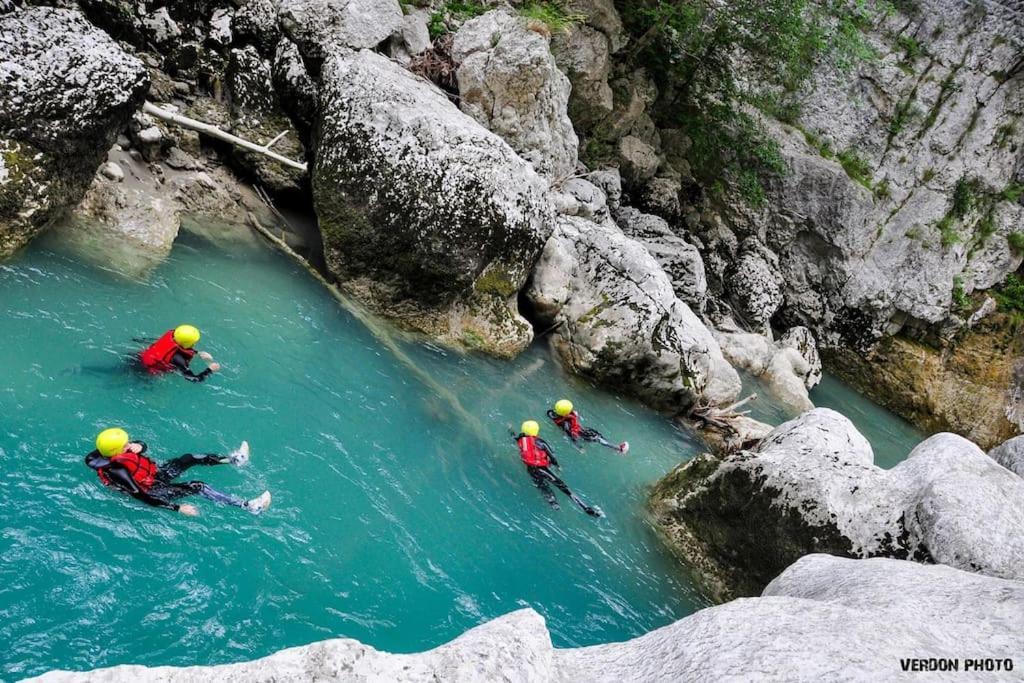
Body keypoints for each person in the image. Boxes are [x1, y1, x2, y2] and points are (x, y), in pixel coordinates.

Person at [85, 428, 271, 516]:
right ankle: (248, 506)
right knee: (197, 486)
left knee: (188, 458)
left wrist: (138, 445)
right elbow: (140, 496)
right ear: (117, 452)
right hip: (150, 491)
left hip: (152, 477)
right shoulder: (118, 471)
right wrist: (177, 508)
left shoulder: (111, 451)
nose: (129, 444)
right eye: (125, 444)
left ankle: (234, 460)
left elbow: (142, 446)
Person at [514, 420, 601, 517]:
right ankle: (585, 507)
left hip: (531, 469)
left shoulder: (520, 440)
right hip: (543, 469)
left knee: (543, 487)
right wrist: (557, 466)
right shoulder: (540, 442)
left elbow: (516, 439)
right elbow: (552, 456)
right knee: (564, 488)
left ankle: (554, 503)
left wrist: (511, 431)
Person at [138, 325, 220, 382]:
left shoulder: (170, 337)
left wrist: (198, 353)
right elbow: (193, 379)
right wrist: (209, 370)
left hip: (139, 357)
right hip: (146, 373)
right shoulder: (179, 360)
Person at [547, 399, 628, 454]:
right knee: (598, 439)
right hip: (580, 434)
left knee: (597, 433)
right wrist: (579, 447)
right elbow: (570, 436)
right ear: (566, 412)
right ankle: (619, 449)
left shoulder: (554, 413)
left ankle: (612, 445)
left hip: (582, 429)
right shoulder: (566, 424)